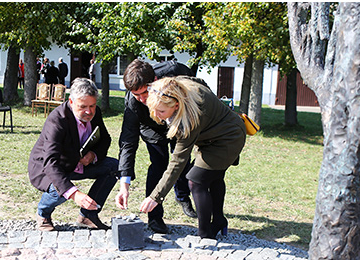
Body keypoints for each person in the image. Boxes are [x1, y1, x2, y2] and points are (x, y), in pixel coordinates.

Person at [139, 77, 247, 240]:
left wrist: (156, 197)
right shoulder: (177, 85)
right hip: (213, 135)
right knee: (214, 177)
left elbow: (177, 162)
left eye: (161, 111)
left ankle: (205, 235)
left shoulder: (189, 121)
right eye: (153, 109)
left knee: (196, 181)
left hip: (228, 138)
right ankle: (218, 221)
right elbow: (199, 80)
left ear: (176, 105)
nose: (156, 115)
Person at [116, 57, 197, 233]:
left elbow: (197, 89)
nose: (141, 99)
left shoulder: (175, 73)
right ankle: (154, 217)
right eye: (135, 94)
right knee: (159, 164)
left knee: (181, 161)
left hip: (176, 120)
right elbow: (128, 141)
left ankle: (183, 197)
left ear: (154, 82)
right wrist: (124, 183)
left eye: (144, 93)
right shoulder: (133, 102)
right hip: (151, 128)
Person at [28, 75, 119, 231]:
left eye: (92, 106)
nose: (89, 111)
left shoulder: (94, 113)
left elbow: (105, 139)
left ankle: (88, 216)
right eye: (83, 106)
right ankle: (43, 214)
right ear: (71, 102)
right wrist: (75, 194)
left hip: (77, 163)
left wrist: (93, 155)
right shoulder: (57, 119)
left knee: (114, 167)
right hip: (49, 167)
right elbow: (51, 162)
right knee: (62, 190)